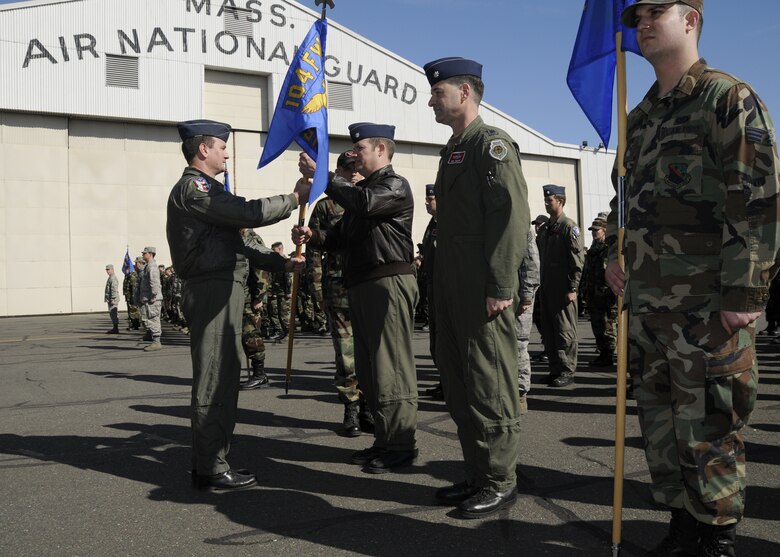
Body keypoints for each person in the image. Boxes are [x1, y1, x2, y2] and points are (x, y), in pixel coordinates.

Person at [606, 2, 780, 555]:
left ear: (692, 20)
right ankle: (681, 525)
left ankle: (716, 537)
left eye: (660, 11)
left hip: (707, 305)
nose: (645, 22)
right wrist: (616, 250)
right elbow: (628, 199)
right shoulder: (641, 115)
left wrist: (746, 292)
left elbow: (757, 198)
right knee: (659, 423)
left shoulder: (726, 99)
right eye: (639, 16)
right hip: (650, 303)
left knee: (709, 425)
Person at [167, 119, 309, 491]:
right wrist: (294, 199)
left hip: (223, 286)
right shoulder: (195, 188)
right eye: (221, 146)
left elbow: (240, 243)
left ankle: (212, 462)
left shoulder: (208, 192)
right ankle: (211, 468)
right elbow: (248, 214)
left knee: (225, 376)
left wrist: (282, 264)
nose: (226, 152)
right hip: (212, 289)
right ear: (203, 150)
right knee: (215, 378)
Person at [423, 57, 530, 518]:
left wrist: (501, 284)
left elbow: (509, 219)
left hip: (482, 289)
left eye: (438, 91)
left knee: (490, 383)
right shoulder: (454, 149)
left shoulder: (492, 146)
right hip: (451, 288)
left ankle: (500, 479)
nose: (431, 99)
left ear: (465, 92)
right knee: (458, 381)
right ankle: (476, 473)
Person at [293, 122, 419, 474]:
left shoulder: (393, 185)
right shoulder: (363, 189)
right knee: (370, 369)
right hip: (362, 284)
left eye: (359, 147)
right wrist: (313, 234)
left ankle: (401, 444)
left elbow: (363, 205)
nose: (353, 153)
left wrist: (325, 177)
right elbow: (342, 236)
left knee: (390, 367)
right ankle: (384, 439)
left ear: (381, 150)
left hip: (387, 281)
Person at [305, 150, 373, 437]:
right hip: (338, 287)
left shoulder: (371, 199)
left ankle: (370, 406)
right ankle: (352, 409)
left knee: (370, 351)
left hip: (369, 286)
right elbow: (313, 251)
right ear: (339, 171)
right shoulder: (325, 207)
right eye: (348, 168)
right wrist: (317, 288)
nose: (354, 172)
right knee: (346, 354)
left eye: (357, 166)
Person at [536, 185, 584, 387]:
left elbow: (577, 260)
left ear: (560, 201)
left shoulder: (568, 226)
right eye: (546, 200)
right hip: (547, 287)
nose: (547, 203)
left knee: (565, 331)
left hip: (563, 289)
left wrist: (573, 288)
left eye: (550, 200)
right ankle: (555, 368)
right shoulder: (547, 228)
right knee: (549, 331)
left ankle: (567, 370)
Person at [581, 216, 617, 366]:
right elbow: (586, 272)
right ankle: (602, 353)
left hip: (608, 295)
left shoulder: (610, 249)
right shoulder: (592, 250)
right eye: (592, 230)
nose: (594, 233)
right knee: (597, 326)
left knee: (609, 327)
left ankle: (609, 355)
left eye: (597, 230)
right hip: (593, 295)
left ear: (605, 230)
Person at [419, 183, 443, 400]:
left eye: (430, 199)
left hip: (445, 288)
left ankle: (452, 384)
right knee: (436, 339)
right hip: (433, 286)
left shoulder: (449, 222)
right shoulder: (433, 223)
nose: (427, 202)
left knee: (445, 337)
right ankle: (444, 380)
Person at [239, 228, 271, 390]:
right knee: (244, 336)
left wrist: (259, 296)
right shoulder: (237, 236)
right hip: (239, 296)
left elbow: (261, 268)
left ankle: (260, 375)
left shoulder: (251, 238)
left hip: (249, 297)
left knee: (251, 335)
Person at [516, 224, 540, 415]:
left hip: (520, 299)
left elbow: (531, 263)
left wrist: (526, 296)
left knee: (519, 345)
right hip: (504, 297)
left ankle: (520, 393)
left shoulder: (524, 227)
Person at [138, 247, 163, 352]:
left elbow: (154, 283)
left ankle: (156, 342)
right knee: (148, 318)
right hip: (148, 298)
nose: (143, 255)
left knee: (153, 319)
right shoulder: (147, 266)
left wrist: (153, 296)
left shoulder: (152, 267)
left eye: (145, 253)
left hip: (152, 299)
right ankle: (152, 337)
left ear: (151, 254)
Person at [123, 258, 141, 331]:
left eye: (128, 268)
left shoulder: (133, 275)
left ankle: (135, 325)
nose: (126, 270)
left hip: (132, 297)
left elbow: (133, 287)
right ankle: (134, 324)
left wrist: (133, 298)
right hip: (129, 296)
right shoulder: (128, 275)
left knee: (133, 311)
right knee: (131, 311)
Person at [104, 264, 120, 334]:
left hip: (113, 299)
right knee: (112, 313)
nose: (107, 271)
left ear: (112, 269)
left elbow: (114, 289)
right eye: (107, 270)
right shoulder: (110, 277)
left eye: (108, 270)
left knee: (114, 313)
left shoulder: (113, 278)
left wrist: (113, 298)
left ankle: (115, 328)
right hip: (110, 299)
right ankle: (115, 327)